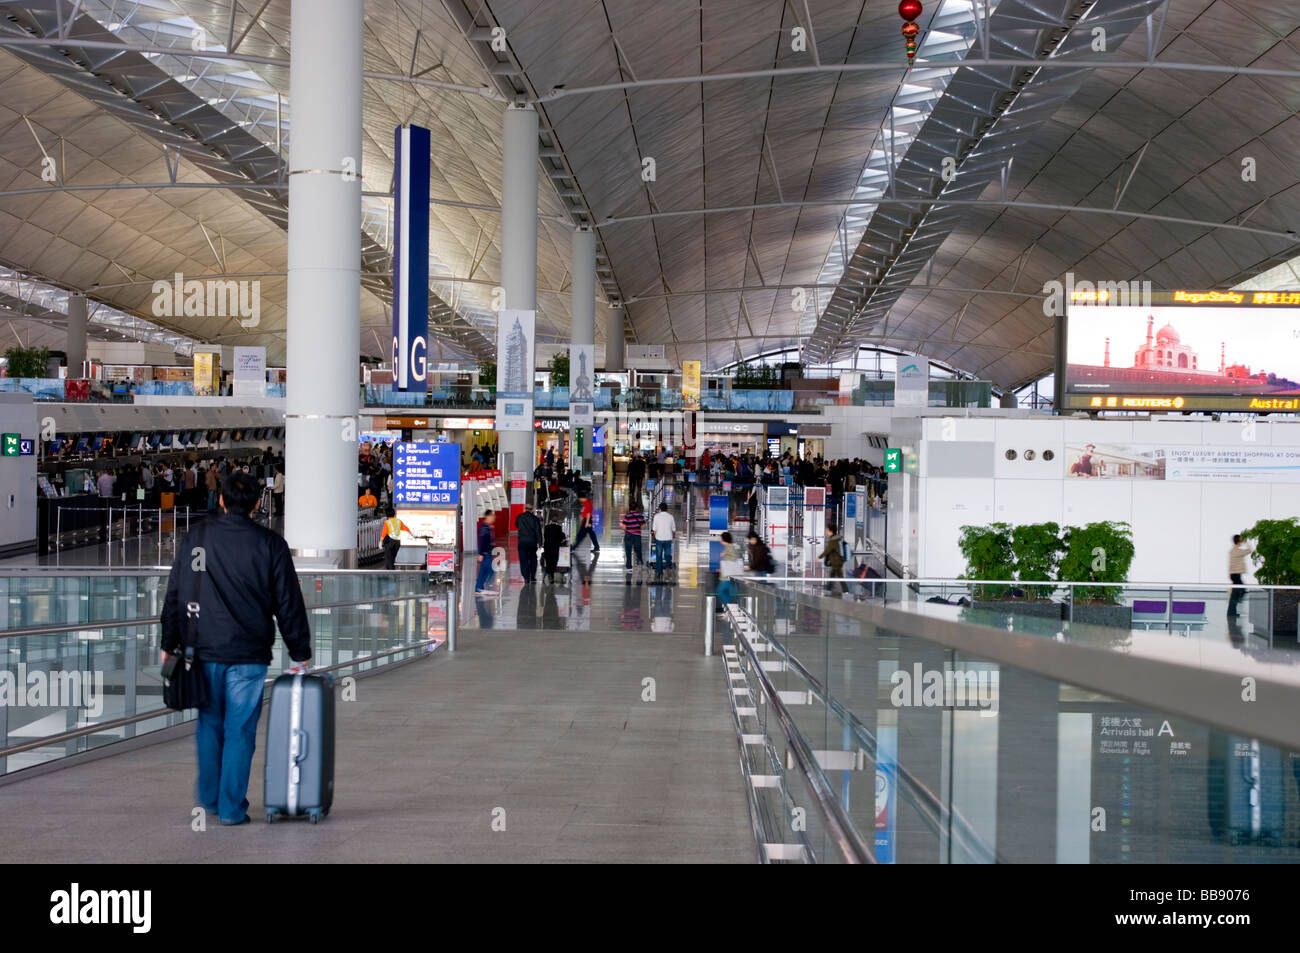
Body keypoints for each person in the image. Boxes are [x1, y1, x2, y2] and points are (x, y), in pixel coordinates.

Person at [160, 470, 312, 826]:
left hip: (202, 651)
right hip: (248, 656)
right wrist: (299, 650)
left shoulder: (196, 537)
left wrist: (169, 643)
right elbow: (287, 602)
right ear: (258, 504)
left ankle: (210, 800)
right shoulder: (270, 544)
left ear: (222, 500)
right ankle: (230, 809)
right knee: (240, 730)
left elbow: (175, 595)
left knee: (209, 724)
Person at [515, 506, 543, 584]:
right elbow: (538, 531)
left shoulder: (519, 517)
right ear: (532, 510)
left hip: (522, 542)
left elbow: (516, 525)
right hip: (532, 542)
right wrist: (540, 543)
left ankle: (526, 577)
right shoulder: (535, 518)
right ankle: (532, 577)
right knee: (533, 559)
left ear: (525, 509)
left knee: (523, 560)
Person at [819, 521, 849, 595]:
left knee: (838, 575)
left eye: (827, 530)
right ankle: (830, 589)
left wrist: (819, 557)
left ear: (830, 530)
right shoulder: (837, 538)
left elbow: (827, 550)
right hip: (838, 560)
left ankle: (845, 590)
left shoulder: (833, 540)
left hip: (836, 561)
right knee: (834, 575)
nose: (826, 531)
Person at [1228, 533, 1253, 616]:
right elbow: (1249, 551)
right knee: (1241, 590)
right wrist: (1246, 543)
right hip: (1235, 575)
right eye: (1241, 540)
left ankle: (1232, 612)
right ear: (1238, 541)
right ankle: (1235, 605)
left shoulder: (1234, 550)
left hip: (1235, 575)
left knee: (1235, 593)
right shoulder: (1236, 551)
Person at [716, 530, 743, 605]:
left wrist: (724, 554)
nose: (720, 540)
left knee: (721, 591)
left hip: (727, 576)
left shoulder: (729, 547)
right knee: (730, 592)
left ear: (723, 539)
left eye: (721, 538)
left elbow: (733, 559)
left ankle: (729, 608)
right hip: (729, 575)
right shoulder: (730, 547)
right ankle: (731, 608)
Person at [651, 501, 676, 577]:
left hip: (659, 538)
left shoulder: (656, 516)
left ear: (660, 509)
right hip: (668, 538)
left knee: (658, 556)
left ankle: (659, 572)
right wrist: (672, 536)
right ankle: (668, 567)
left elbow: (654, 530)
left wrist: (656, 537)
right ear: (666, 509)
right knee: (668, 554)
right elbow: (674, 530)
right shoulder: (671, 516)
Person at [542, 511, 567, 585]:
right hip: (555, 547)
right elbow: (560, 537)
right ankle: (551, 575)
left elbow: (545, 536)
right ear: (557, 520)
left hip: (547, 546)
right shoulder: (559, 528)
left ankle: (549, 573)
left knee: (548, 560)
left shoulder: (547, 527)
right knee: (554, 561)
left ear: (551, 520)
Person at [620, 502, 646, 571]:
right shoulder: (640, 515)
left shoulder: (627, 516)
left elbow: (624, 526)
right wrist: (637, 528)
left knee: (628, 551)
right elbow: (643, 525)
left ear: (629, 508)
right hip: (637, 536)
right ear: (636, 508)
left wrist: (627, 529)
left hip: (629, 535)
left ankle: (629, 567)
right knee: (638, 549)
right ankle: (639, 562)